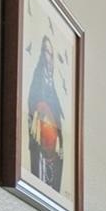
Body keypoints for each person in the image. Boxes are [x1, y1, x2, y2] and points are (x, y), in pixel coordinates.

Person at [26, 35, 64, 190]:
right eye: (47, 52)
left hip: (53, 146)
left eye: (51, 54)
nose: (49, 58)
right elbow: (32, 105)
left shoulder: (52, 85)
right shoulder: (37, 79)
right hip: (41, 140)